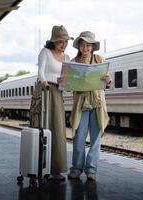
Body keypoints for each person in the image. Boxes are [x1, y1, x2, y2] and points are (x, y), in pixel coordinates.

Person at [68, 31, 111, 181]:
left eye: (88, 45)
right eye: (82, 45)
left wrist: (108, 80)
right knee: (79, 137)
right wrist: (67, 81)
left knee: (95, 138)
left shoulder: (99, 59)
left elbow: (107, 82)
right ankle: (76, 168)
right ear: (79, 46)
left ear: (92, 47)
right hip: (81, 104)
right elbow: (68, 87)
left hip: (97, 103)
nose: (85, 48)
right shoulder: (73, 62)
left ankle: (91, 169)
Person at [36, 25, 73, 180]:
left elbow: (66, 78)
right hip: (45, 91)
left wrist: (68, 84)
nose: (63, 44)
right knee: (44, 127)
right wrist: (44, 81)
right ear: (53, 41)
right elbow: (41, 71)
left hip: (58, 93)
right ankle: (40, 166)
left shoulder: (67, 58)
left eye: (65, 41)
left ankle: (56, 168)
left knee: (58, 129)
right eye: (60, 42)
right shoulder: (45, 52)